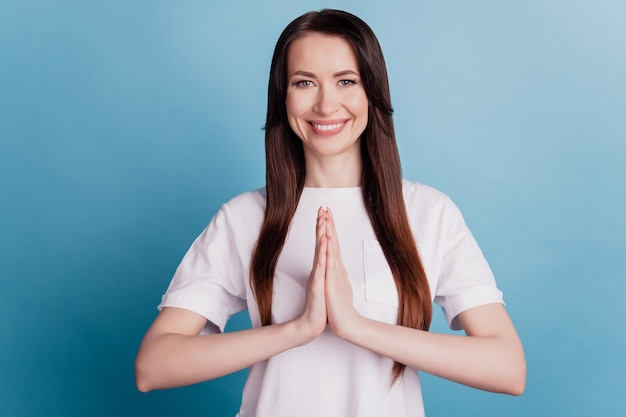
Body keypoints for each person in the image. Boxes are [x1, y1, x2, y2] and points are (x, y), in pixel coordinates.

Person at [135, 9, 526, 417]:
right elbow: (153, 366)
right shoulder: (244, 217)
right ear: (282, 97)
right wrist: (297, 329)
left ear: (371, 92)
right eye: (304, 82)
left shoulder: (429, 213)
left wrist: (356, 326)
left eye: (346, 81)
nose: (325, 104)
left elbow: (508, 369)